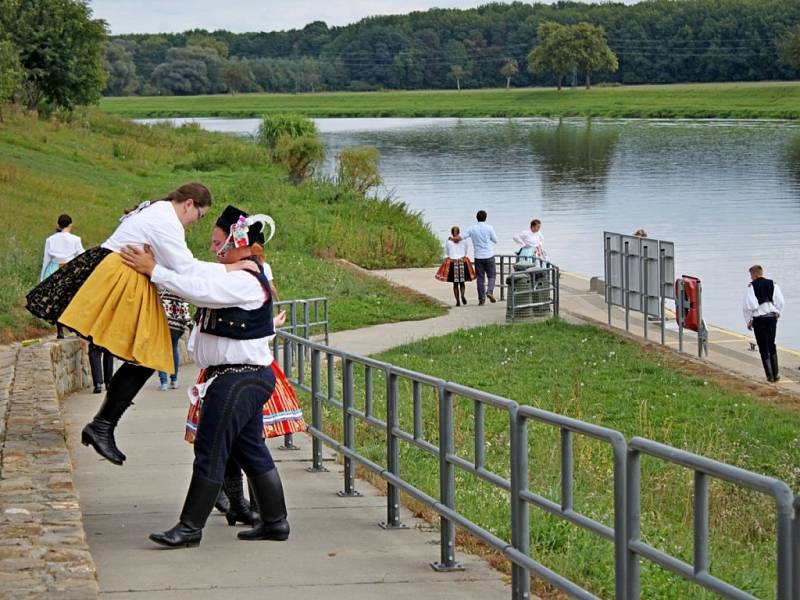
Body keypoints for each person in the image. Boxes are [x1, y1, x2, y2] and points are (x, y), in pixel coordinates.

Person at [26, 182, 254, 467]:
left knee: (146, 354)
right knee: (147, 354)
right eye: (200, 215)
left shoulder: (158, 212)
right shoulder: (165, 221)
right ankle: (102, 425)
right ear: (189, 204)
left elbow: (174, 268)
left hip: (124, 275)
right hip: (122, 275)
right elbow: (186, 268)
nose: (196, 222)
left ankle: (103, 425)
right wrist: (230, 268)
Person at [121, 205, 290, 548]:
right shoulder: (232, 273)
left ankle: (189, 528)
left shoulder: (245, 281)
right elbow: (196, 276)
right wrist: (156, 261)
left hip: (239, 378)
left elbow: (198, 290)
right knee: (251, 450)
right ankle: (275, 522)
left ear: (238, 243)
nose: (214, 249)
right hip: (239, 377)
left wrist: (154, 270)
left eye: (218, 243)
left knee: (210, 448)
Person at [40, 214, 85, 338]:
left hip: (54, 269)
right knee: (71, 298)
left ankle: (59, 329)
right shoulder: (76, 239)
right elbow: (82, 255)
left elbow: (46, 259)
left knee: (57, 299)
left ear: (58, 225)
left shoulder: (50, 239)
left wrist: (42, 277)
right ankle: (74, 326)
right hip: (69, 269)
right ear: (70, 225)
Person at [743, 265, 785, 382]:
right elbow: (780, 301)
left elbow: (748, 306)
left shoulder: (752, 287)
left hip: (759, 319)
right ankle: (776, 374)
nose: (751, 278)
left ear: (755, 274)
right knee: (772, 343)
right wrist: (777, 312)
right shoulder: (773, 284)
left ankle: (769, 375)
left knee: (763, 346)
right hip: (772, 317)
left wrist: (749, 320)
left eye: (751, 275)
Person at [157, 290, 192, 391]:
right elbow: (185, 310)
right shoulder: (178, 288)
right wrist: (189, 323)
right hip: (176, 327)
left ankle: (163, 382)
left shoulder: (159, 289)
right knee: (174, 348)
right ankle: (174, 380)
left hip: (162, 324)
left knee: (161, 351)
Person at [461, 210, 498, 306]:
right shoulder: (489, 228)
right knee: (492, 275)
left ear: (476, 218)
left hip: (478, 257)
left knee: (480, 279)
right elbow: (495, 240)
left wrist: (452, 239)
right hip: (489, 255)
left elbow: (462, 237)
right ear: (486, 218)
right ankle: (490, 291)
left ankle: (481, 300)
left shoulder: (472, 228)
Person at [435, 226, 475, 306]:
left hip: (452, 263)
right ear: (459, 232)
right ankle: (463, 295)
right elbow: (466, 251)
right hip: (462, 262)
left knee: (455, 284)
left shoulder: (449, 242)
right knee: (462, 283)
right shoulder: (464, 241)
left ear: (451, 233)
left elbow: (447, 253)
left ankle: (457, 301)